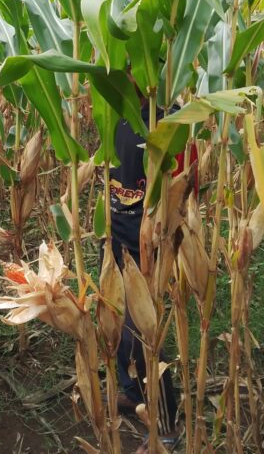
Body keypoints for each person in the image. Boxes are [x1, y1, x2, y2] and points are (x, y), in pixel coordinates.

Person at [108, 99, 191, 452]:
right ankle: (133, 393)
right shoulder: (112, 108)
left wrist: (163, 235)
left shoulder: (171, 119)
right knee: (115, 329)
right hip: (115, 235)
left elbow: (185, 184)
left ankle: (167, 423)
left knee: (143, 335)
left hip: (148, 243)